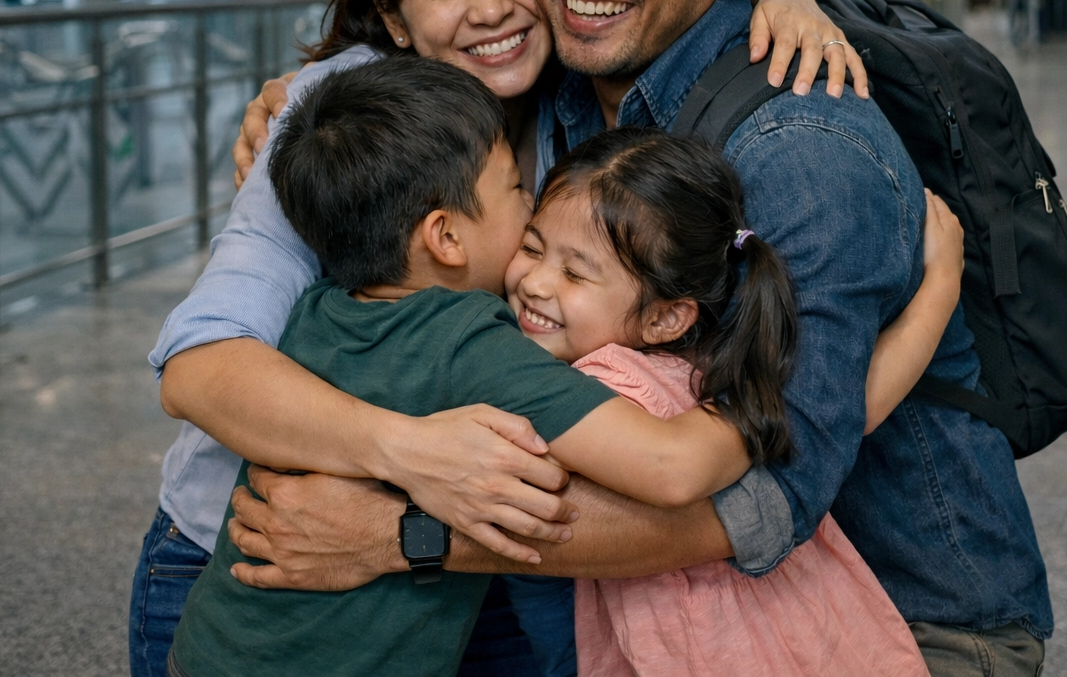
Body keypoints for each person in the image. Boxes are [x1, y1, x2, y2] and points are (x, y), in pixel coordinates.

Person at [223, 0, 1054, 677]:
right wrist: (316, 92)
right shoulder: (577, 94)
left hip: (897, 627)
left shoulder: (802, 156)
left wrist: (408, 534)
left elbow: (766, 501)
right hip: (685, 628)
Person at [132, 0, 860, 677]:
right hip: (259, 556)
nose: (490, 8)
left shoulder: (584, 95)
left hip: (470, 574)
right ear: (397, 16)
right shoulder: (353, 119)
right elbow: (200, 367)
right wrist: (411, 453)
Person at [169, 58, 759, 677]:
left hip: (209, 648)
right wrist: (802, 406)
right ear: (446, 237)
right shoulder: (472, 344)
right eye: (513, 189)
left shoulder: (312, 312)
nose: (529, 203)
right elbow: (671, 469)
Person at [521, 127, 961, 677]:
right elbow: (859, 405)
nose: (534, 283)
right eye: (531, 248)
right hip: (815, 636)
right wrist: (942, 286)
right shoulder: (708, 366)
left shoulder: (594, 385)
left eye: (574, 273)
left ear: (664, 317)